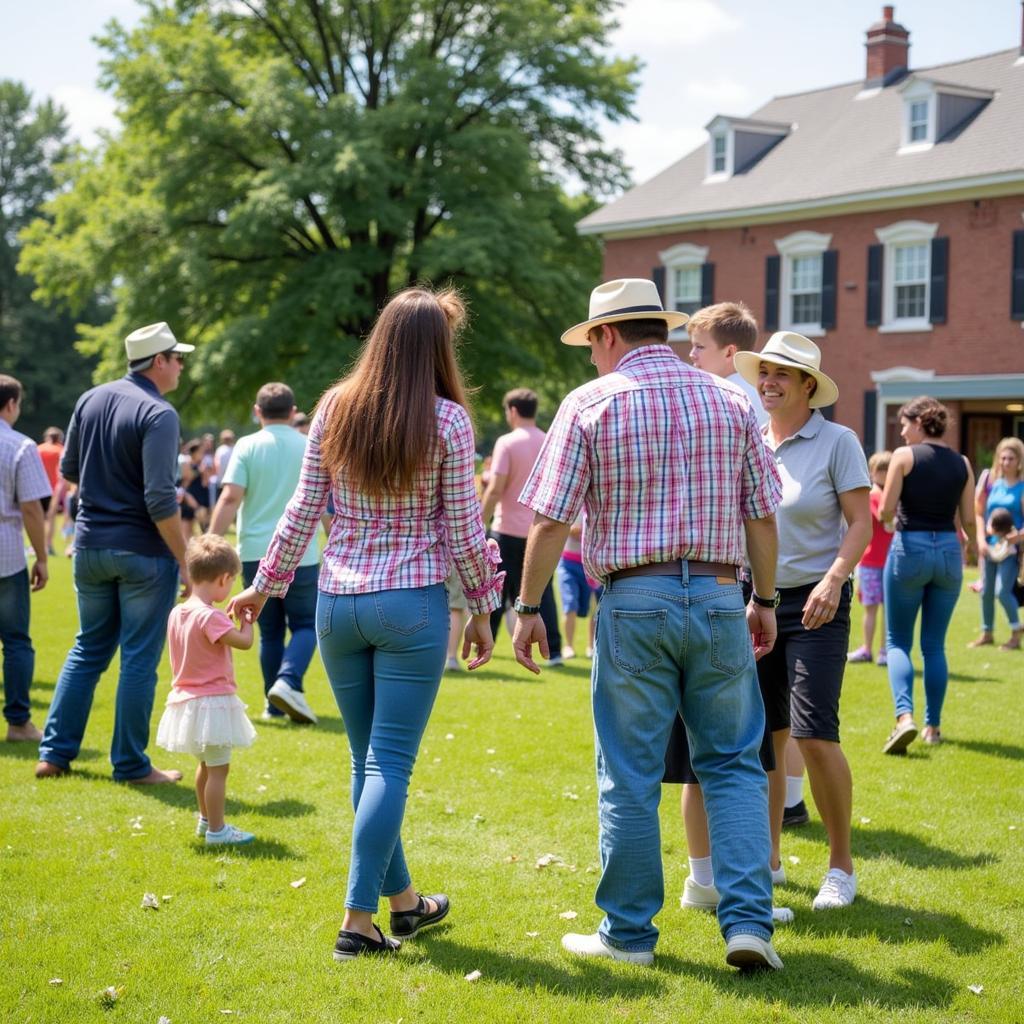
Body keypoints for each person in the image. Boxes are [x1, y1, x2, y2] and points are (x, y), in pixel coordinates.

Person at [513, 278, 785, 971]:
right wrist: (767, 601)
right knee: (732, 765)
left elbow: (549, 519)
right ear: (657, 328)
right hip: (723, 596)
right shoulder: (730, 398)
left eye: (591, 345)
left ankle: (629, 935)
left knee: (629, 771)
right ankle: (748, 922)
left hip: (633, 599)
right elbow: (761, 512)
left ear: (607, 335)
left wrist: (528, 608)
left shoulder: (591, 403)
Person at [229, 287, 502, 962]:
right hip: (410, 603)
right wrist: (482, 606)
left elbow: (300, 510)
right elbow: (466, 532)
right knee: (390, 765)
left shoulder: (333, 407)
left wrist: (264, 586)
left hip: (337, 602)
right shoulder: (447, 421)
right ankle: (358, 918)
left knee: (368, 761)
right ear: (437, 347)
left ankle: (404, 903)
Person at [732, 331, 872, 910]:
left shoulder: (838, 441)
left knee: (814, 735)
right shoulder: (749, 438)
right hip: (753, 601)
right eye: (763, 372)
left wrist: (834, 580)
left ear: (808, 386)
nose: (768, 383)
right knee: (762, 739)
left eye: (781, 375)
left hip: (819, 604)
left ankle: (841, 867)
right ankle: (769, 861)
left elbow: (861, 523)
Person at [36, 321, 193, 784]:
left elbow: (69, 470)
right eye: (177, 357)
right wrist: (186, 560)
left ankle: (54, 754)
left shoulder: (90, 399)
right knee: (139, 659)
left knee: (87, 649)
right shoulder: (160, 413)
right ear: (159, 361)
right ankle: (130, 764)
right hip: (143, 552)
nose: (182, 366)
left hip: (89, 546)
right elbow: (161, 500)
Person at [211, 383, 320, 724]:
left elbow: (230, 498)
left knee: (269, 631)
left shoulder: (246, 446)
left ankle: (273, 704)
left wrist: (211, 540)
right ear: (292, 411)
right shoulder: (308, 445)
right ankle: (288, 681)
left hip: (256, 551)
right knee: (305, 624)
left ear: (257, 412)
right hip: (303, 551)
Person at [880, 398, 977, 752]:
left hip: (910, 549)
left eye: (905, 423)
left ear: (920, 421)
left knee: (897, 642)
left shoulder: (903, 458)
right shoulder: (963, 463)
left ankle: (904, 717)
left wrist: (889, 524)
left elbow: (886, 510)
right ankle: (933, 728)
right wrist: (974, 549)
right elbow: (968, 519)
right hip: (950, 551)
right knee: (934, 645)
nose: (903, 431)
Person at [156, 534, 258, 845]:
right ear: (223, 578)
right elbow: (244, 642)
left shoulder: (179, 612)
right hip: (211, 703)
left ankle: (205, 820)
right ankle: (218, 830)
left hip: (187, 704)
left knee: (205, 765)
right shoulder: (210, 616)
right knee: (219, 770)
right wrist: (248, 620)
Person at [480, 389, 563, 665]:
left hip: (505, 531)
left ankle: (485, 644)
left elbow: (496, 489)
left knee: (495, 591)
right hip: (537, 530)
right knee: (542, 591)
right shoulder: (548, 440)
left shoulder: (506, 442)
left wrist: (480, 521)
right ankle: (553, 650)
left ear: (513, 411)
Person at [1, 376, 51, 743]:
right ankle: (18, 723)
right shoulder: (19, 445)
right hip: (6, 551)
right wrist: (43, 557)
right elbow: (32, 508)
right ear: (11, 405)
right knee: (16, 640)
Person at [970, 437, 1024, 651]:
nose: (1006, 462)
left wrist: (1017, 537)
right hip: (989, 546)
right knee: (986, 592)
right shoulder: (992, 483)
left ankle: (1015, 632)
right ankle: (987, 633)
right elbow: (979, 513)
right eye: (1002, 457)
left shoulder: (1021, 487)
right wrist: (981, 539)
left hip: (1010, 549)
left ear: (1019, 460)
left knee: (1002, 592)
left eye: (1011, 458)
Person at [687, 301, 768, 427]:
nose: (692, 354)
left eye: (700, 347)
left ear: (729, 352)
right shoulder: (764, 395)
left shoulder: (723, 399)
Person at [848, 451, 894, 666]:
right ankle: (868, 648)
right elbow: (886, 520)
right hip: (870, 561)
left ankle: (884, 649)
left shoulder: (889, 495)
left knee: (887, 610)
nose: (884, 474)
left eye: (888, 469)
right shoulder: (874, 495)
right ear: (873, 472)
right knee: (871, 608)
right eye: (880, 470)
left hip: (889, 561)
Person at [554, 514, 590, 659]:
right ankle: (568, 646)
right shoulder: (571, 506)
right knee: (569, 603)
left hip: (590, 563)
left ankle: (592, 647)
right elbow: (554, 526)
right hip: (568, 562)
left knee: (595, 606)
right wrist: (570, 530)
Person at [37, 427, 64, 555]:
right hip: (54, 490)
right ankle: (48, 545)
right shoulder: (61, 450)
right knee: (50, 519)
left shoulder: (39, 449)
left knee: (38, 518)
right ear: (58, 438)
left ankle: (36, 545)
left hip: (38, 488)